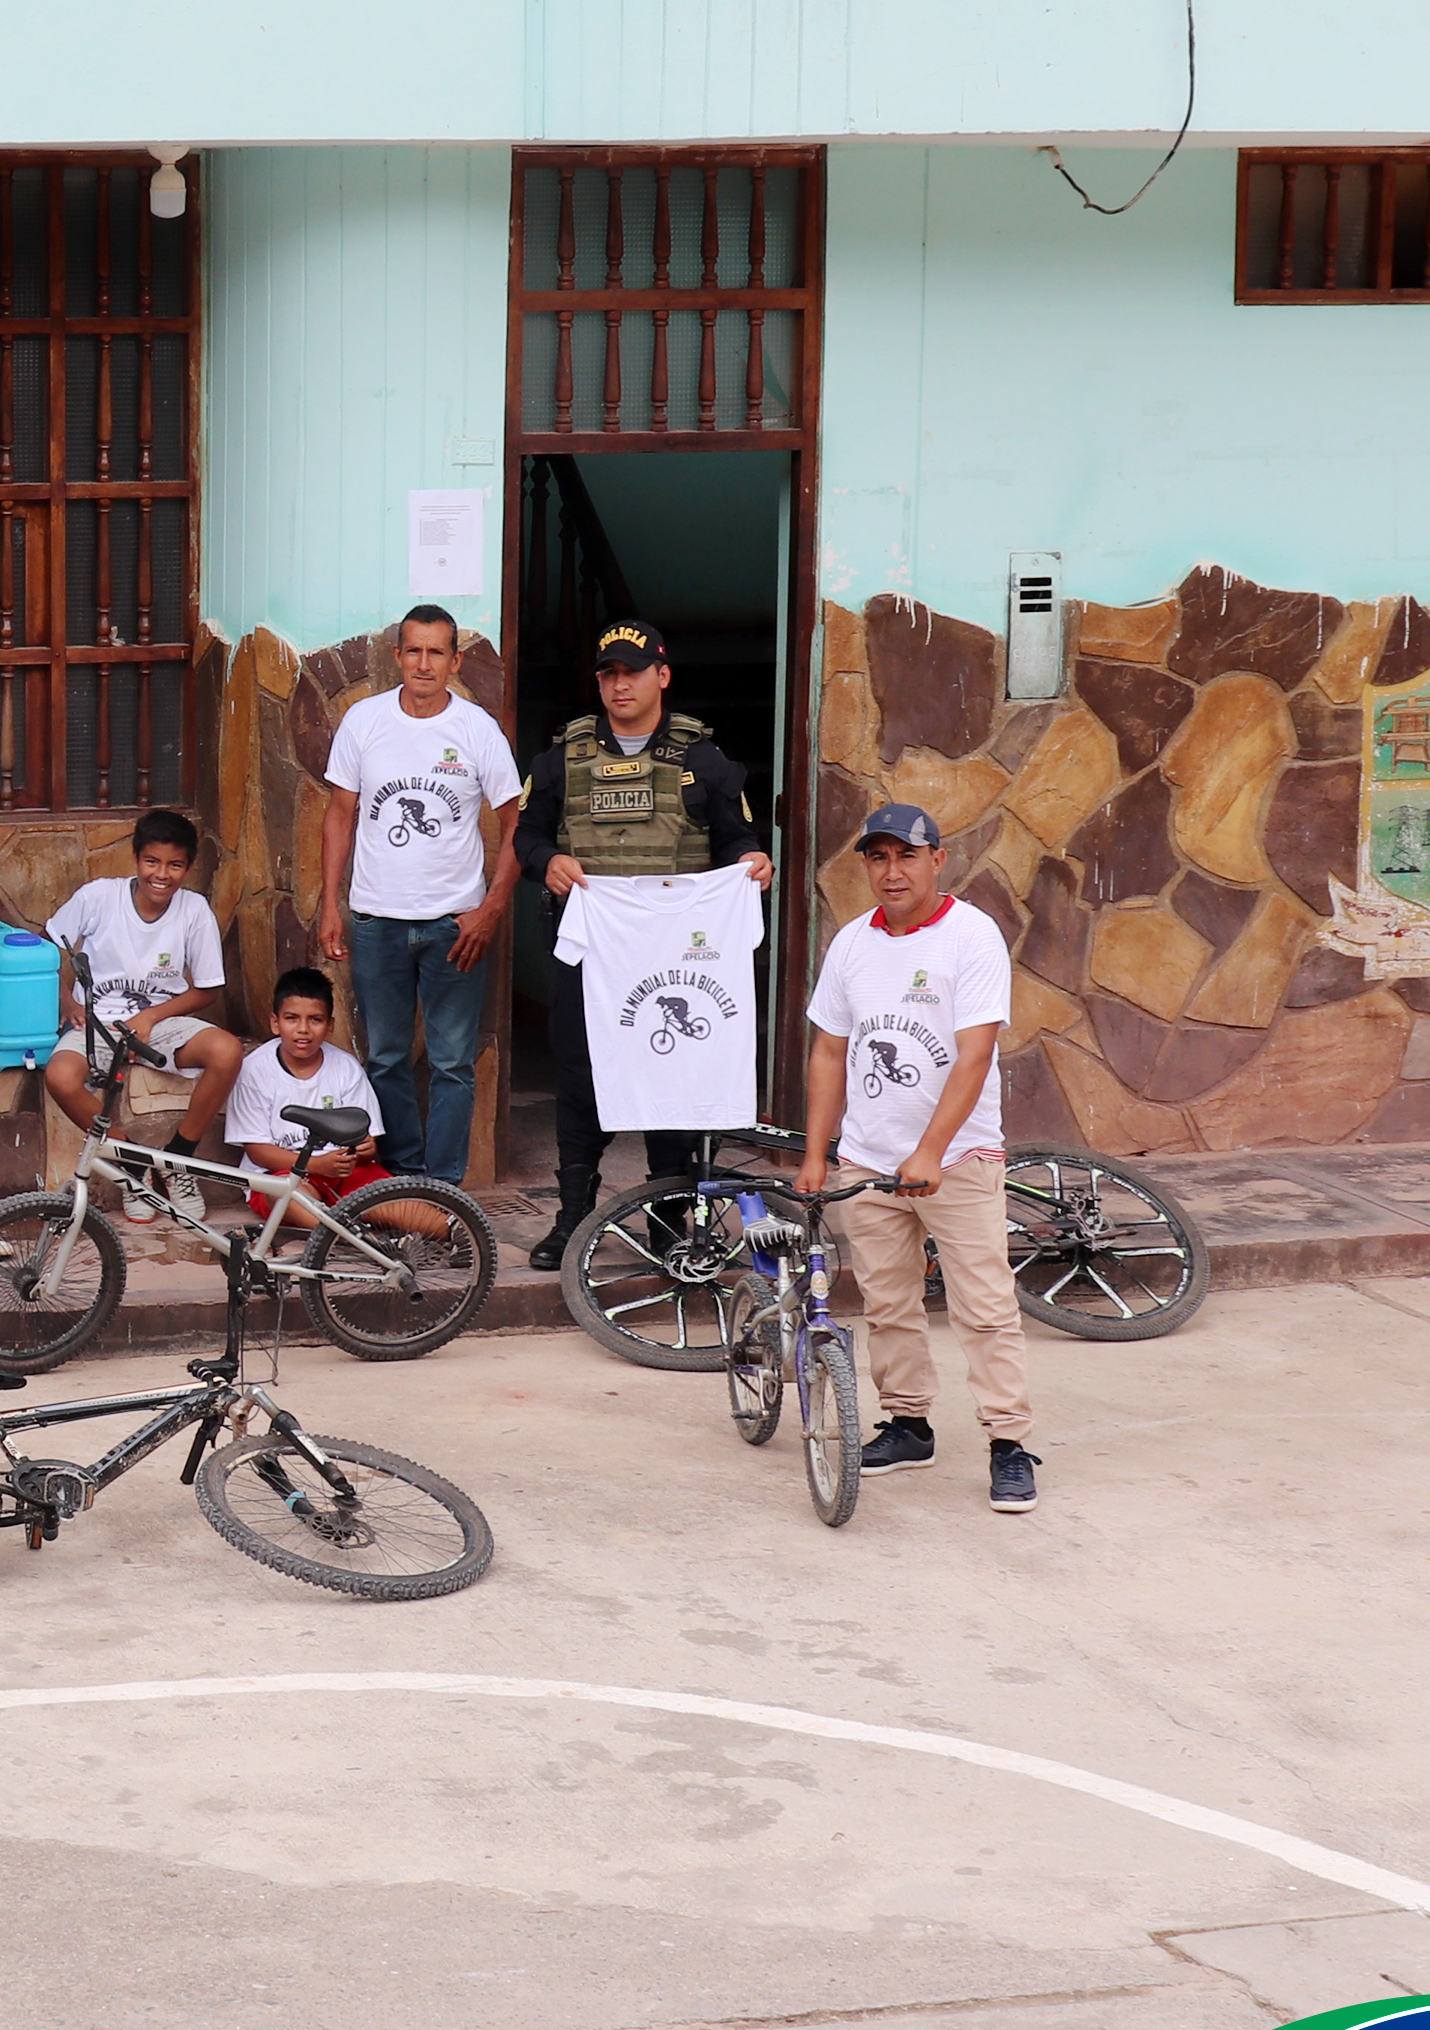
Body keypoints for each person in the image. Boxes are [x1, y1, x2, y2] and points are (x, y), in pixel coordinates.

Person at [800, 804, 1041, 1514]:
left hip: (958, 1159)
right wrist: (819, 1153)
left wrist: (933, 1150)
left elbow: (975, 1054)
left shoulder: (971, 937)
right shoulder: (850, 944)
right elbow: (829, 1051)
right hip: (869, 1161)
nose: (891, 871)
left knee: (985, 1308)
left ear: (938, 859)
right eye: (877, 858)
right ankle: (908, 1426)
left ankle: (1009, 1444)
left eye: (906, 856)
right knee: (888, 1301)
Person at [516, 620, 774, 1270]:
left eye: (632, 671)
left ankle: (668, 1216)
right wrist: (545, 859)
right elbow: (527, 835)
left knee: (672, 1077)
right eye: (608, 674)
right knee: (580, 1076)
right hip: (591, 952)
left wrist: (753, 861)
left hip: (672, 957)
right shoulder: (562, 760)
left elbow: (734, 838)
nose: (619, 684)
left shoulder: (700, 760)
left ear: (661, 675)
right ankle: (574, 1213)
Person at [316, 605, 523, 1189]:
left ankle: (446, 1189)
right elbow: (339, 815)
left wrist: (490, 911)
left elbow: (517, 827)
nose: (424, 664)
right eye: (414, 651)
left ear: (455, 660)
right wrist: (331, 904)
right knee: (385, 1057)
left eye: (437, 652)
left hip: (453, 926)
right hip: (377, 920)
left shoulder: (477, 729)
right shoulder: (364, 721)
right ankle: (404, 1177)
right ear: (397, 657)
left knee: (453, 1064)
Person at [42, 807, 244, 1155]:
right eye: (152, 861)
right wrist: (67, 1001)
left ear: (189, 867)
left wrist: (151, 1017)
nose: (161, 875)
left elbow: (208, 989)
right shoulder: (99, 897)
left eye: (175, 865)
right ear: (135, 858)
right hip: (98, 1022)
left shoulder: (194, 910)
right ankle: (133, 1162)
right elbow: (41, 949)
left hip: (162, 1024)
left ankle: (180, 1159)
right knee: (60, 1077)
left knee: (227, 1052)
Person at [222, 966, 384, 1189]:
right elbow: (258, 1151)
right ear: (275, 1023)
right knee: (293, 1199)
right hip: (281, 1173)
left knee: (413, 1211)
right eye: (292, 1018)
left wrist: (366, 1150)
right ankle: (335, 1224)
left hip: (343, 1171)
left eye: (315, 1019)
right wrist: (316, 1165)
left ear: (330, 1026)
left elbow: (367, 1139)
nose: (303, 1029)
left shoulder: (346, 1067)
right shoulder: (254, 1070)